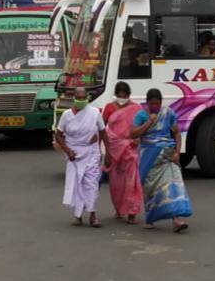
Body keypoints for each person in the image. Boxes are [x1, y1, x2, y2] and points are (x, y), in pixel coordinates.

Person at [131, 88, 192, 232]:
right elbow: (132, 134)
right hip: (149, 156)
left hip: (167, 154)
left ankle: (176, 220)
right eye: (152, 104)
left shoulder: (168, 113)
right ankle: (150, 218)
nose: (155, 107)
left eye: (157, 104)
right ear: (147, 103)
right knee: (151, 188)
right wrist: (148, 123)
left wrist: (177, 152)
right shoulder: (141, 115)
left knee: (173, 184)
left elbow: (176, 133)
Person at [55, 87, 110, 228]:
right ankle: (78, 215)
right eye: (78, 98)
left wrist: (108, 152)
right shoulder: (67, 115)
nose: (81, 101)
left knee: (91, 184)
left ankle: (92, 214)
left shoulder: (94, 113)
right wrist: (68, 151)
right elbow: (58, 135)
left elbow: (103, 132)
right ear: (74, 98)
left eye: (83, 98)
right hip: (74, 154)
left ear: (87, 98)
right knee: (76, 184)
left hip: (91, 152)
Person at [102, 82, 143, 224]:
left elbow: (142, 127)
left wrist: (137, 138)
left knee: (132, 181)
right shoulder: (109, 108)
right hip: (113, 150)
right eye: (119, 95)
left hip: (129, 149)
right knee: (116, 183)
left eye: (124, 96)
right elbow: (102, 128)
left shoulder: (136, 108)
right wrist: (105, 151)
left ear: (128, 95)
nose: (121, 98)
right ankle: (119, 208)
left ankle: (132, 212)